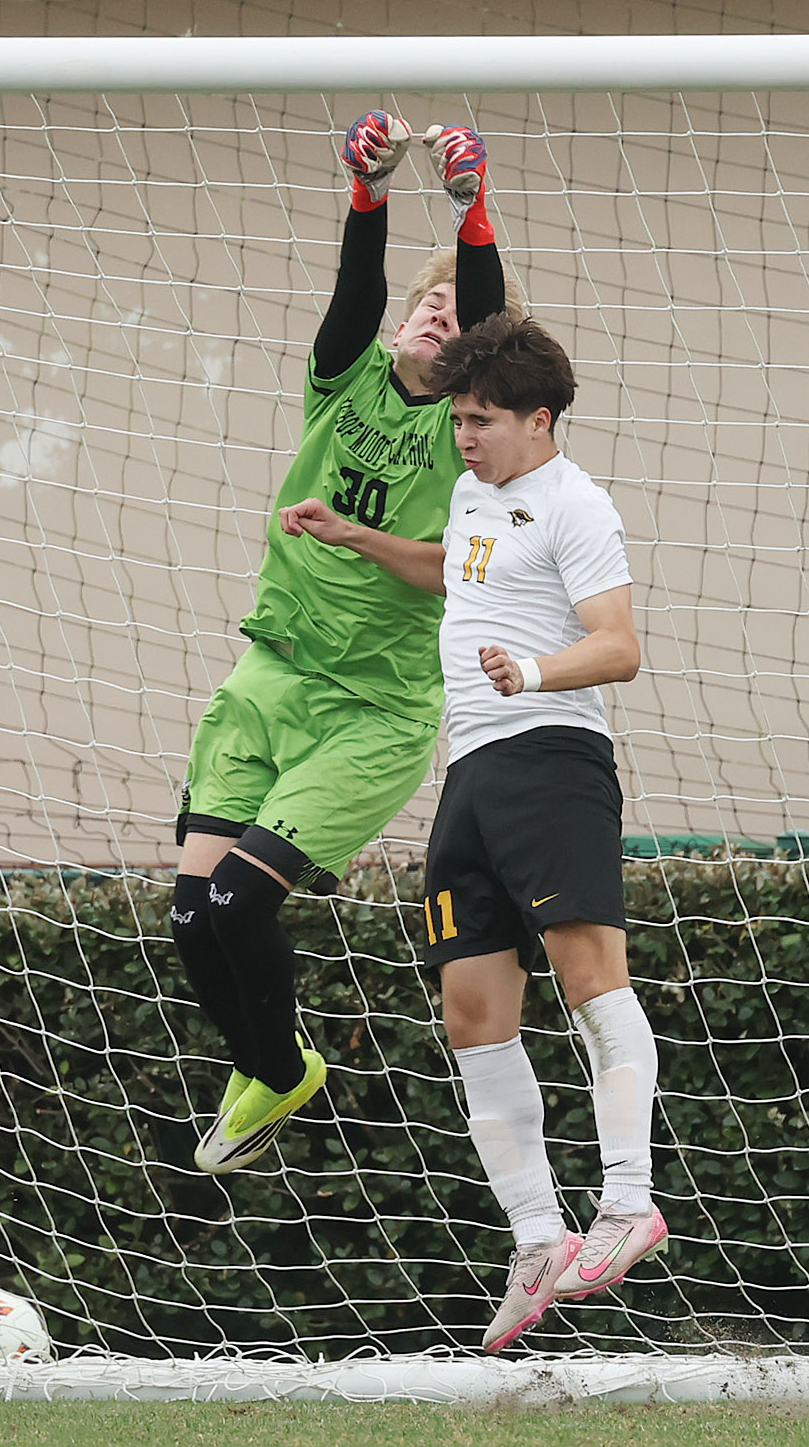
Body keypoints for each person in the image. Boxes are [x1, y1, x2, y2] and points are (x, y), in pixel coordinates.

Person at [279, 313, 665, 1354]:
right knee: (470, 1012)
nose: (464, 436)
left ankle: (627, 1203)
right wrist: (354, 534)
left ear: (539, 421)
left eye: (483, 421)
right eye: (457, 419)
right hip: (474, 775)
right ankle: (537, 1237)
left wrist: (532, 671)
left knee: (592, 985)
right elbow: (455, 571)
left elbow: (620, 644)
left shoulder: (577, 504)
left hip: (552, 761)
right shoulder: (471, 492)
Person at [173, 111, 523, 1176]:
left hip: (371, 711)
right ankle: (279, 1074)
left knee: (239, 898)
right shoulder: (347, 376)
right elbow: (355, 293)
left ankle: (284, 1076)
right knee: (193, 919)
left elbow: (438, 570)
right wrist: (369, 190)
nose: (431, 312)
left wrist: (472, 213)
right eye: (427, 298)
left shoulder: (472, 448)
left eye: (452, 307)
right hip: (269, 674)